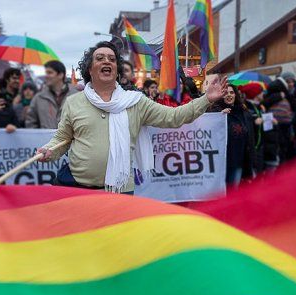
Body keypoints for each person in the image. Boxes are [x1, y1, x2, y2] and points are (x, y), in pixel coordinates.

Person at [35, 41, 227, 193]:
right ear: (89, 69)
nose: (107, 62)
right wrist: (49, 150)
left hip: (120, 192)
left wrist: (206, 100)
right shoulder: (73, 102)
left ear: (117, 70)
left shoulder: (135, 101)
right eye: (100, 58)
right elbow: (62, 139)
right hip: (78, 190)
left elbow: (174, 117)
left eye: (112, 59)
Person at [211, 84, 254, 186]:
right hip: (222, 163)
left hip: (239, 161)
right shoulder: (215, 112)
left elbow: (250, 138)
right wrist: (219, 116)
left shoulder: (244, 112)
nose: (229, 95)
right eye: (225, 93)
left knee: (233, 192)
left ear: (236, 95)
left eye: (231, 92)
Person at [26, 60, 78, 129]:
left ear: (60, 75)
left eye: (50, 73)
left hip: (70, 139)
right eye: (46, 73)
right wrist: (37, 137)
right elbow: (31, 122)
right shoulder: (39, 98)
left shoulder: (76, 96)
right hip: (45, 139)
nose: (46, 76)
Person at [239, 82, 268, 174]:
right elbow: (243, 124)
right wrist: (254, 122)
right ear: (255, 94)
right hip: (252, 147)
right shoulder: (246, 107)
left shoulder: (259, 106)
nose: (263, 93)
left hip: (260, 145)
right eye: (261, 91)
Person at [263, 79, 294, 161]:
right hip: (282, 131)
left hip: (270, 130)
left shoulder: (267, 98)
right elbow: (289, 117)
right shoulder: (283, 97)